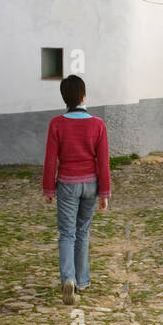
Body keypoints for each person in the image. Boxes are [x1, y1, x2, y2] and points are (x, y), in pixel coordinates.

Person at [42, 74, 110, 304]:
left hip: (68, 186)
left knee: (67, 233)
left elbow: (51, 159)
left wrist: (49, 189)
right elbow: (103, 162)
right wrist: (105, 193)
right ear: (83, 96)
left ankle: (68, 279)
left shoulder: (57, 124)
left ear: (64, 98)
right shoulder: (98, 124)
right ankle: (82, 280)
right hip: (91, 185)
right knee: (83, 231)